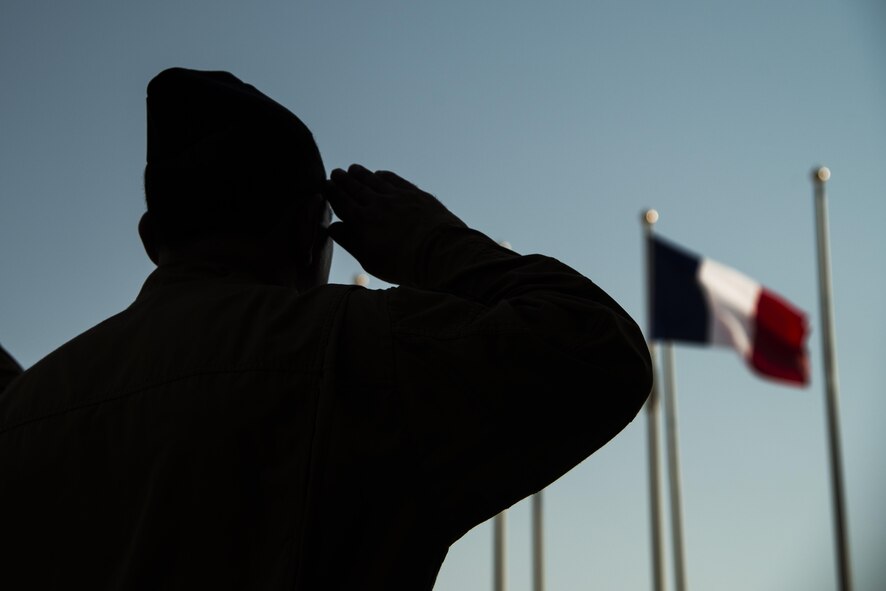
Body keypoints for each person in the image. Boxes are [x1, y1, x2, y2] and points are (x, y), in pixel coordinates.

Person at [0, 68, 652, 590]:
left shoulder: (21, 413)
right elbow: (599, 348)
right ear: (306, 229)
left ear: (152, 238)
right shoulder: (350, 351)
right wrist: (431, 242)